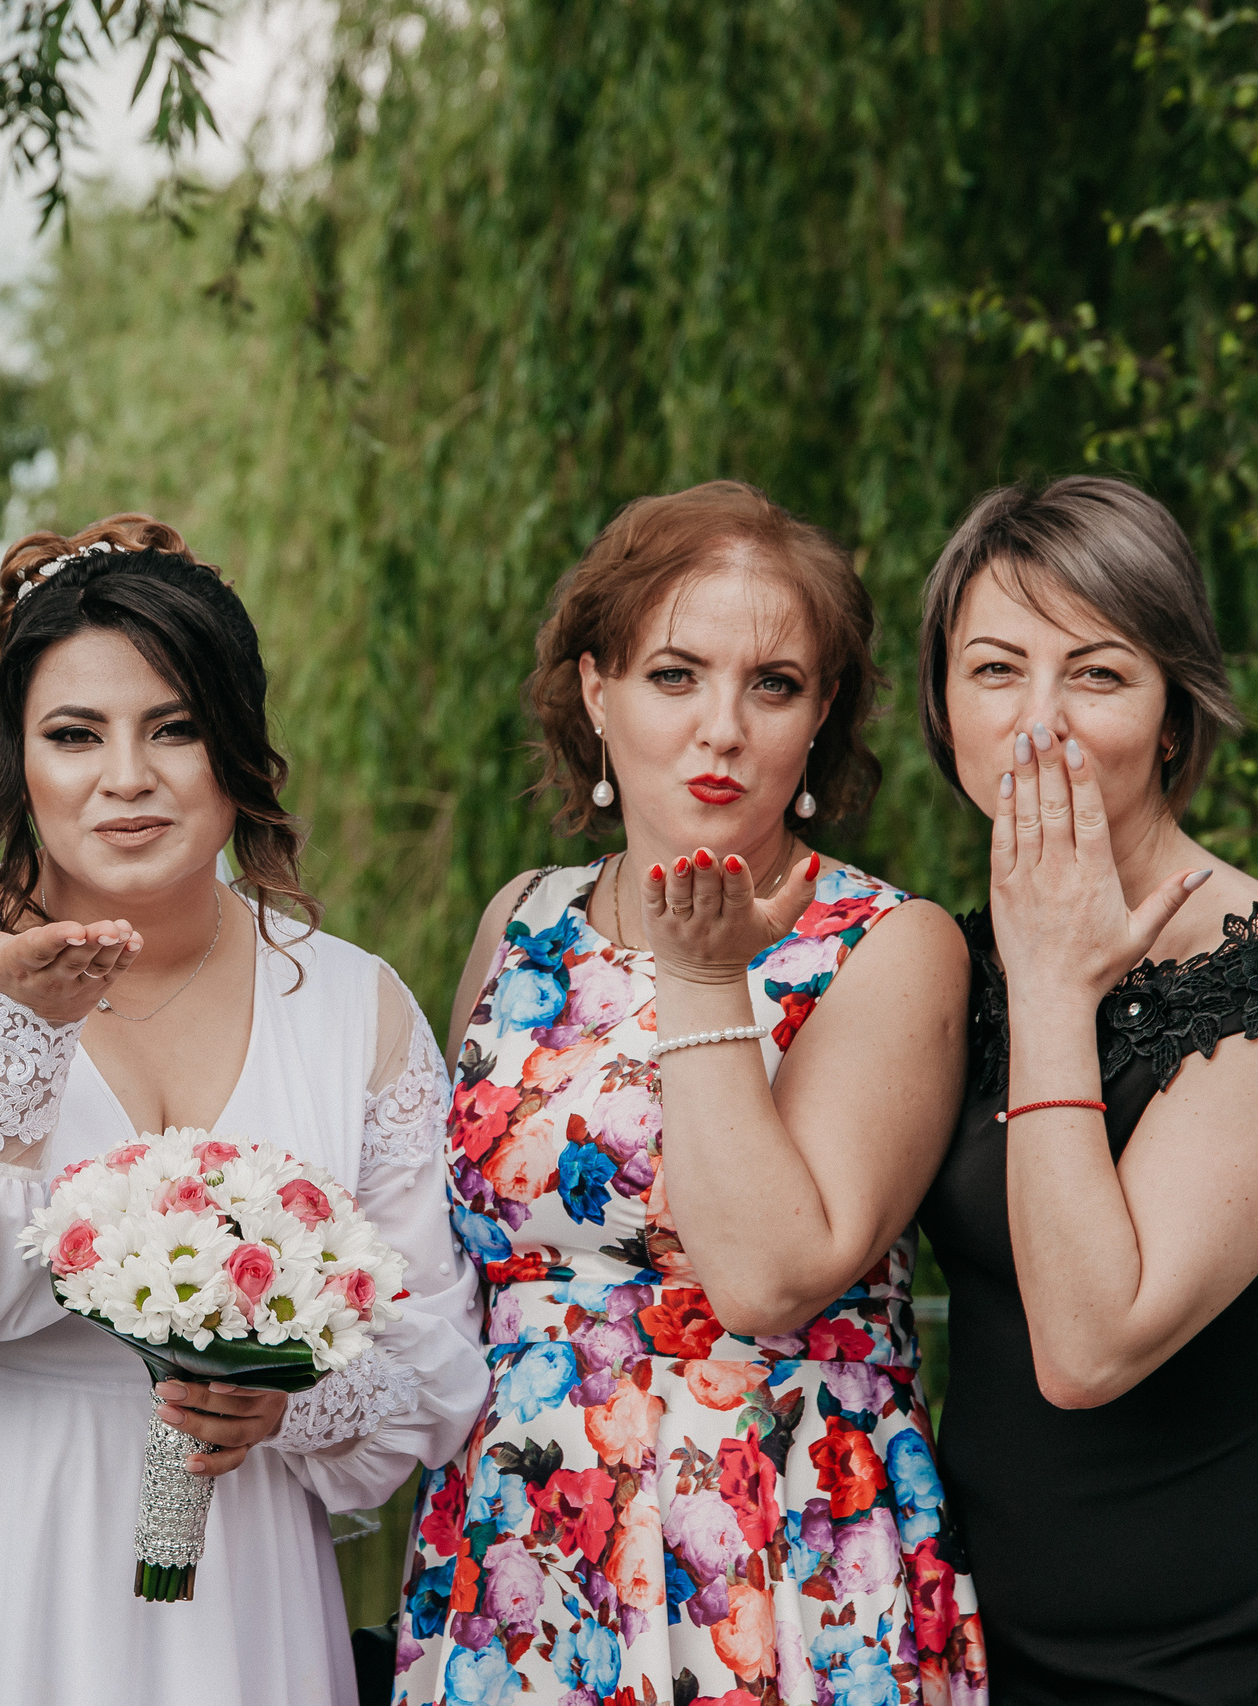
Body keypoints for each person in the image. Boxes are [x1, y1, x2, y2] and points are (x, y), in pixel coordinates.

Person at [0, 514, 488, 1705]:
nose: (126, 778)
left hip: (232, 1576)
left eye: (175, 729)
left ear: (239, 751)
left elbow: (433, 1359)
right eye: (74, 733)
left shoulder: (358, 1003)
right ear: (17, 757)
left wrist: (281, 1395)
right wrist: (18, 1038)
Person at [397, 481, 990, 1706]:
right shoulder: (522, 921)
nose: (722, 725)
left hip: (773, 1560)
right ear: (595, 690)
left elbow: (768, 1273)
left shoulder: (887, 944)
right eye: (675, 674)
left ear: (820, 714)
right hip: (519, 1558)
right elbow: (441, 1262)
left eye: (772, 683)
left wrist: (704, 977)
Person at [911, 476, 1258, 1702]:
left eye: (1099, 673)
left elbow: (1088, 1343)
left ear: (1175, 712)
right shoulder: (956, 965)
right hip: (969, 1653)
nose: (1038, 721)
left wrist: (1060, 992)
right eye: (995, 668)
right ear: (941, 704)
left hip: (1221, 1663)